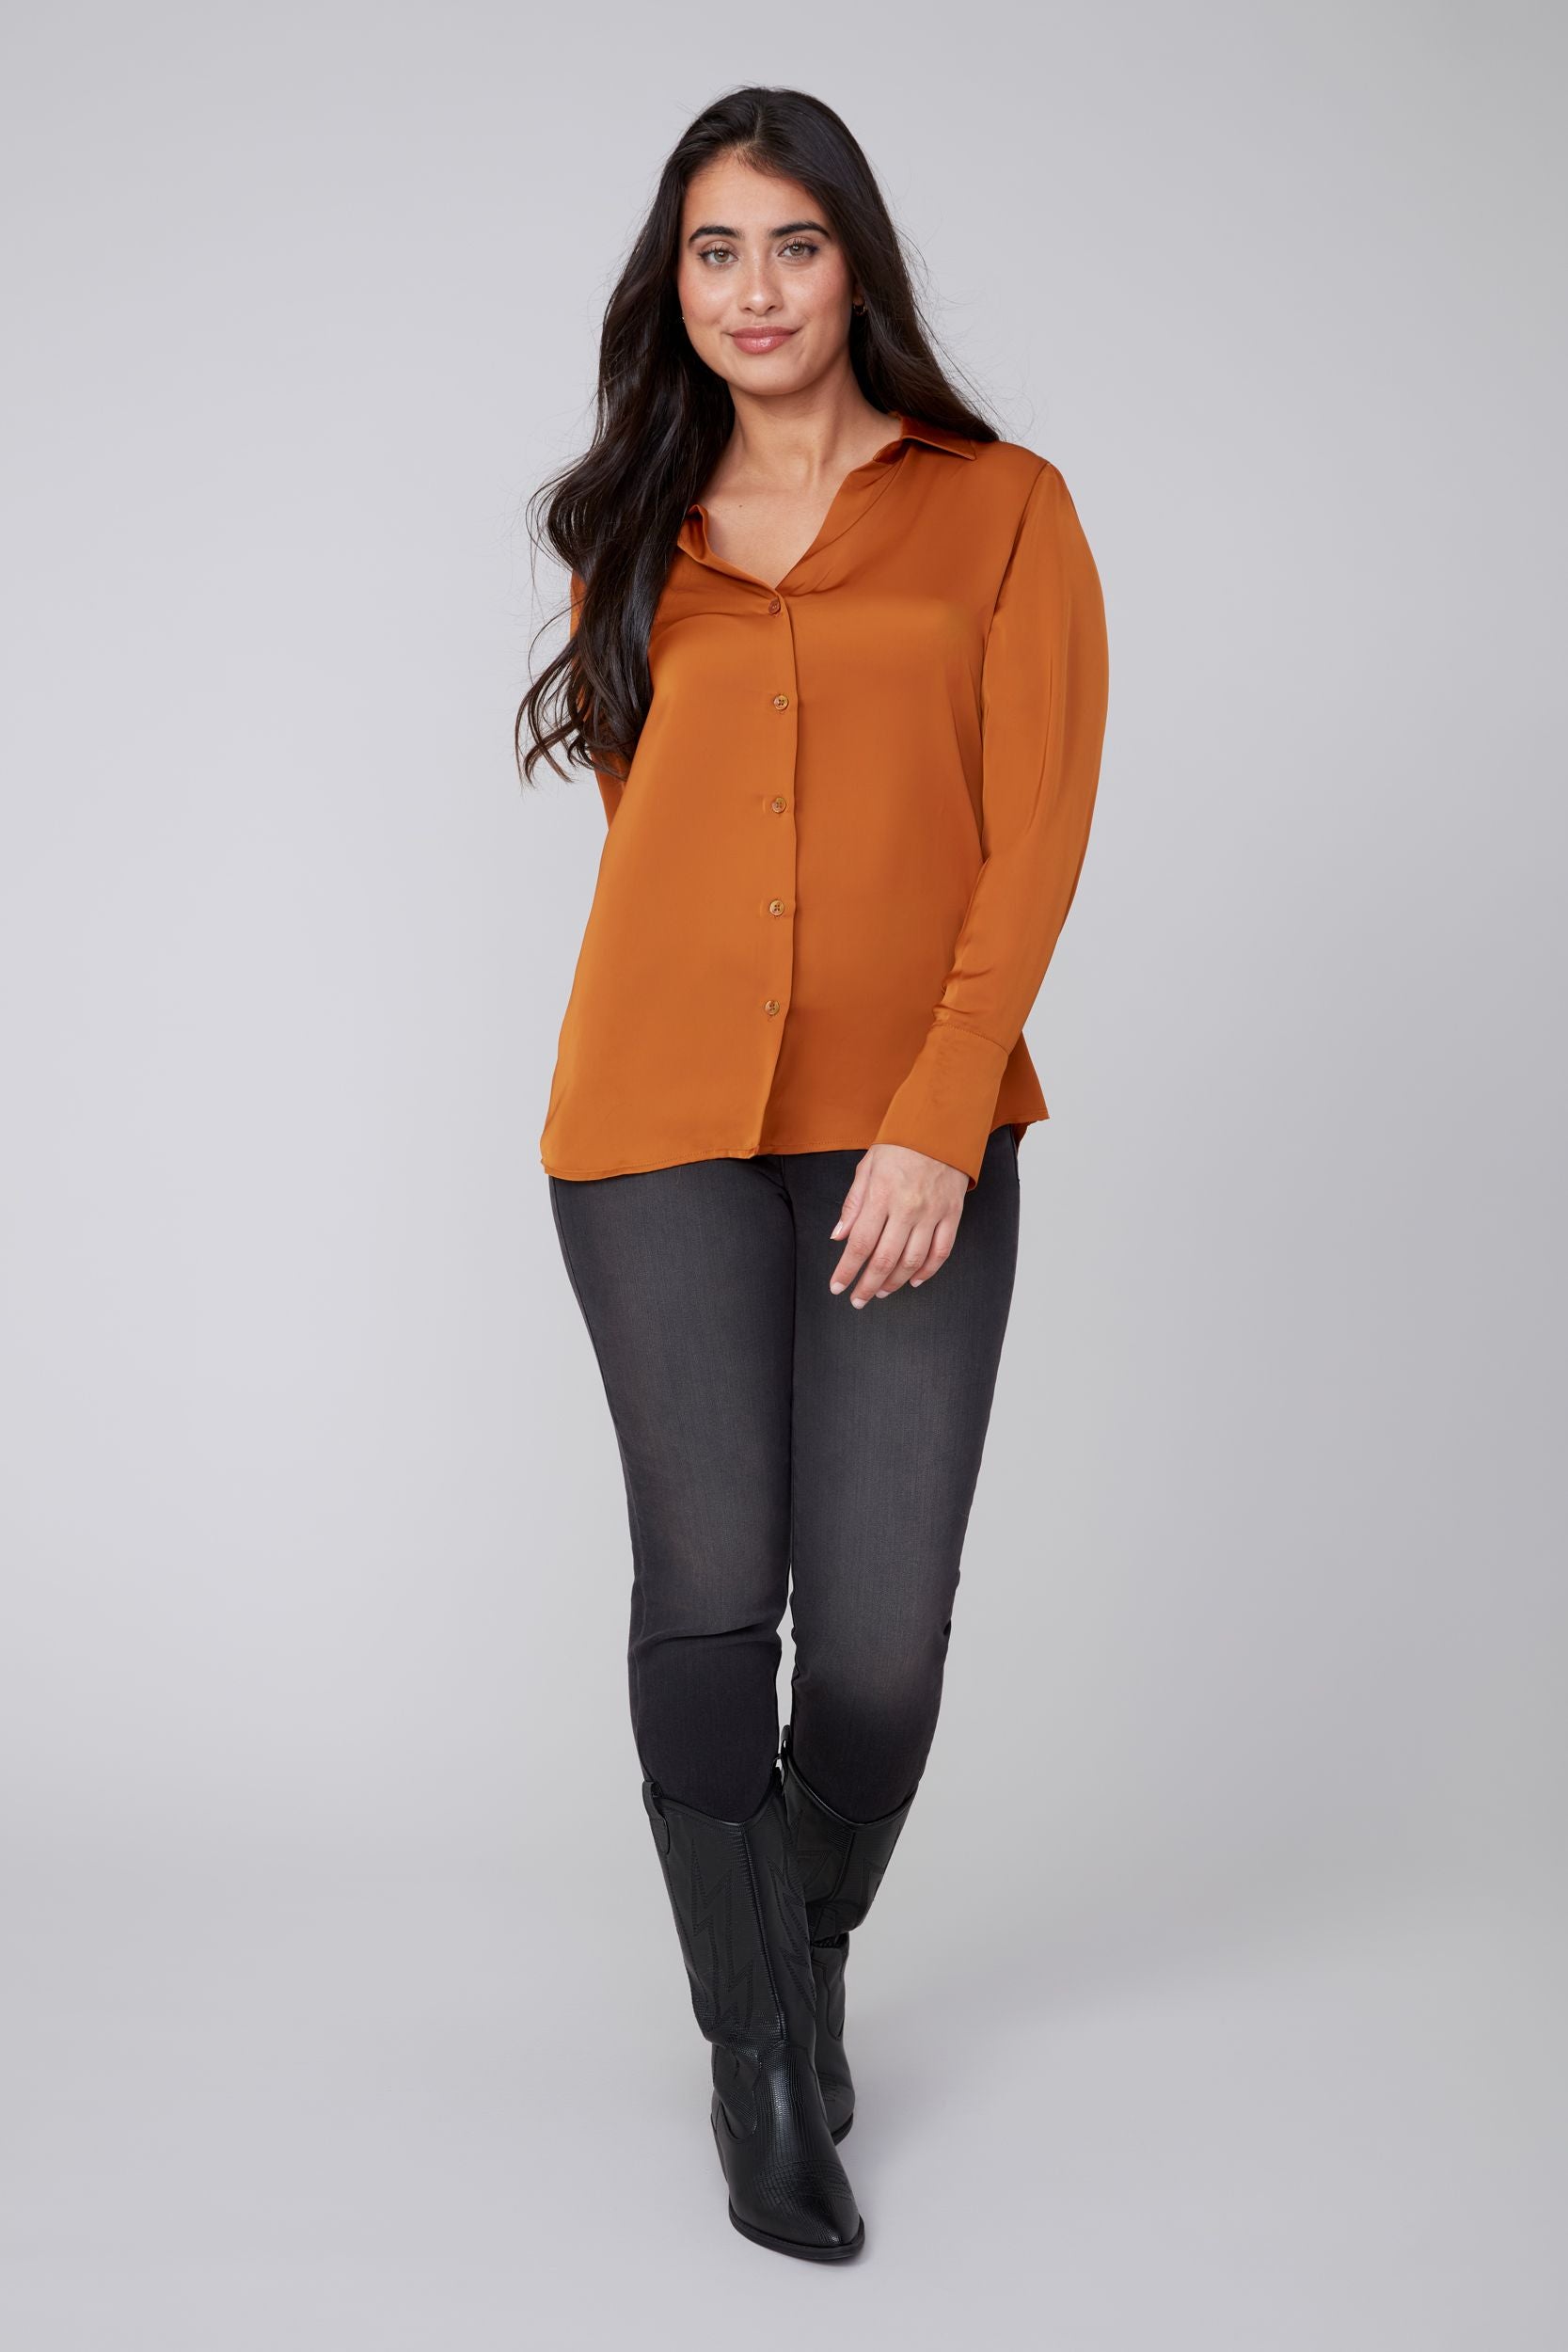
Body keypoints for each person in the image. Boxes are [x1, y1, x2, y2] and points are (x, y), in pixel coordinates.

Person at [515, 86, 1110, 2264]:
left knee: (875, 1650)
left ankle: (795, 1934)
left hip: (908, 1129)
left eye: (793, 244)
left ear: (856, 266)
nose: (753, 289)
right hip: (651, 1125)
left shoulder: (1003, 510)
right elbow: (658, 837)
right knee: (705, 1589)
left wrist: (938, 1107)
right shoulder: (630, 529)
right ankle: (760, 2058)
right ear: (671, 283)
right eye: (714, 250)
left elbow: (1033, 836)